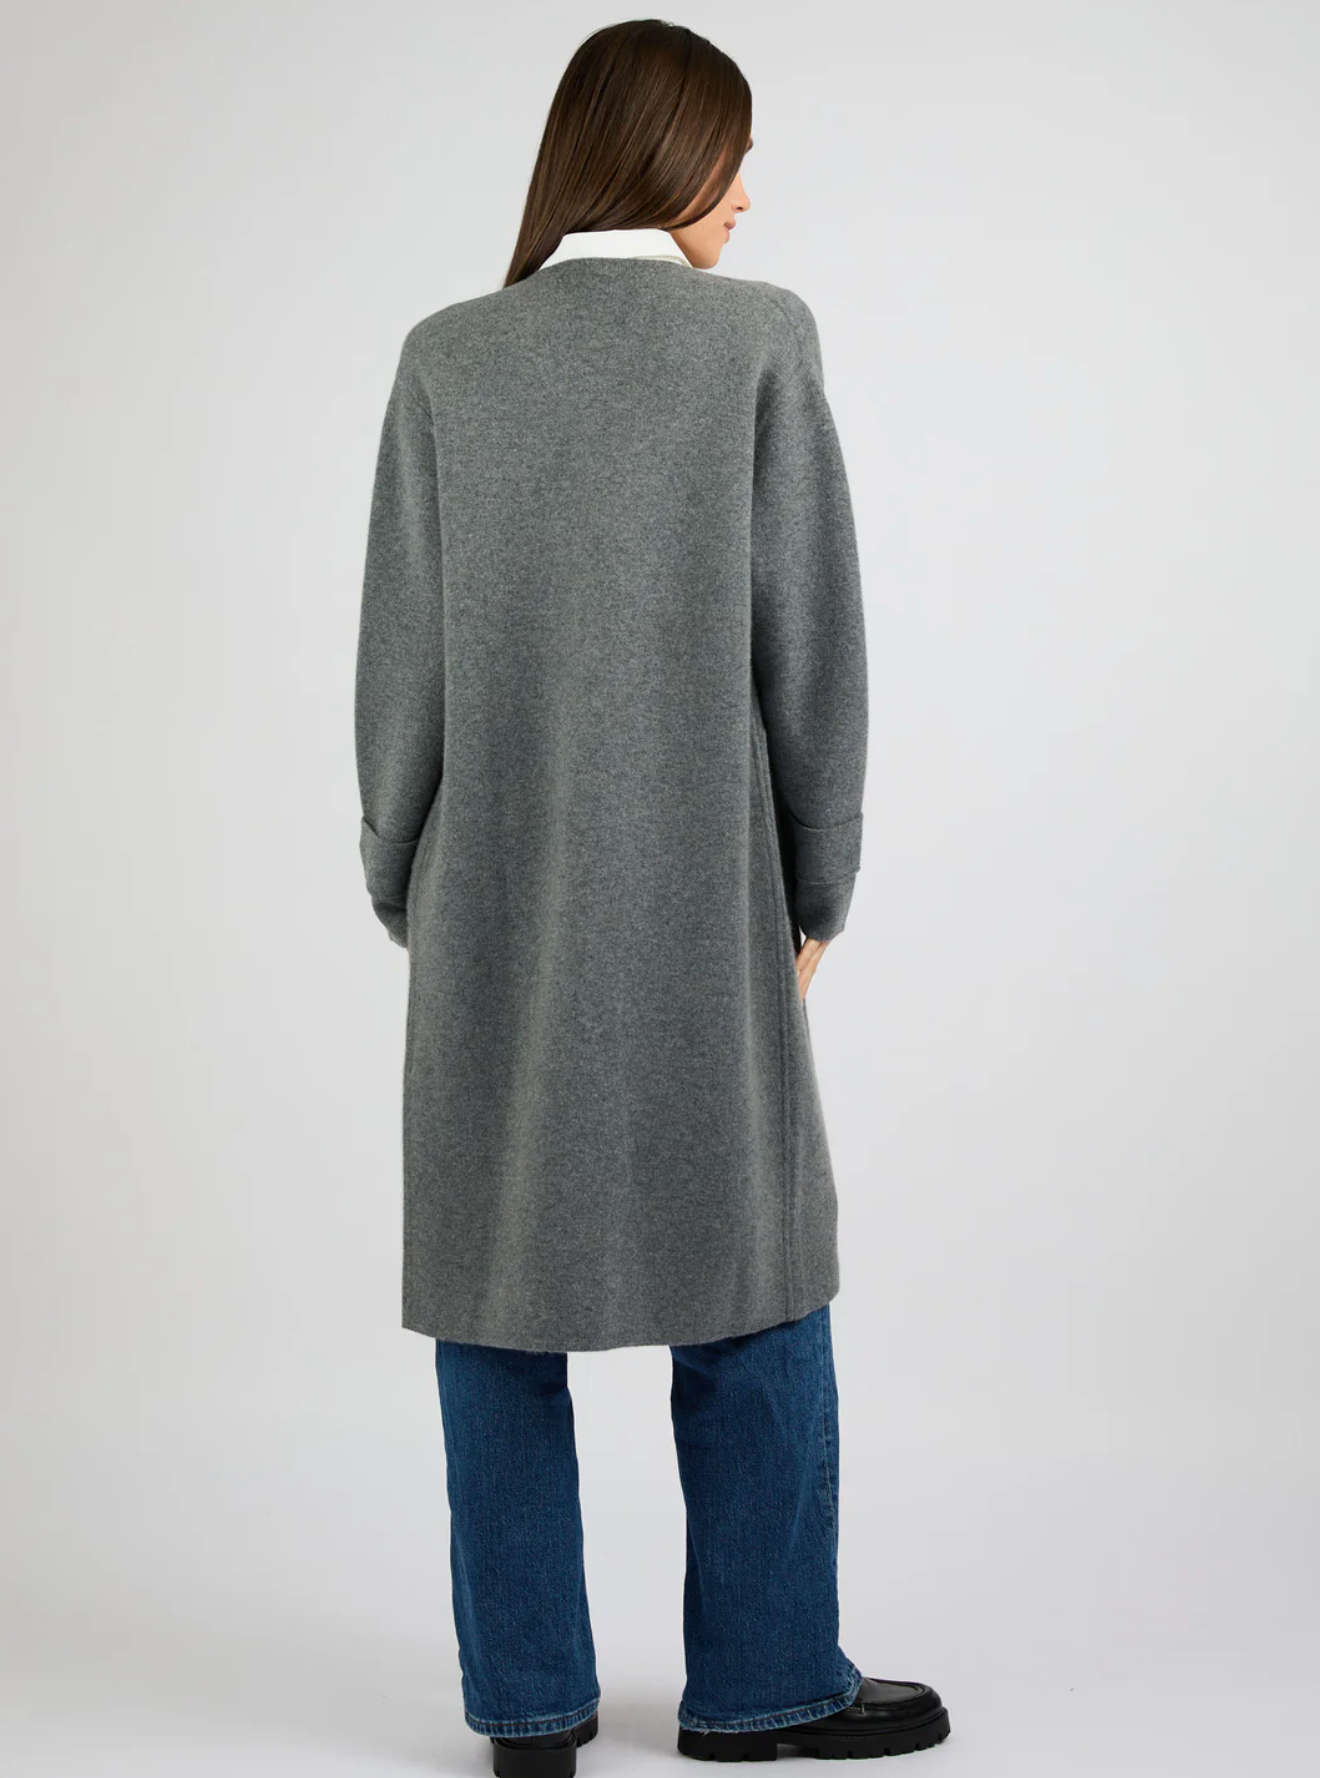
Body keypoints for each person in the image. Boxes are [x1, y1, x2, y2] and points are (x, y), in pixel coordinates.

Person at [354, 18, 951, 1775]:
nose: (747, 191)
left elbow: (402, 673)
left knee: (494, 1293)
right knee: (756, 1276)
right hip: (708, 895)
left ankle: (530, 1708)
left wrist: (408, 879)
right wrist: (817, 881)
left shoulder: (448, 359)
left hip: (494, 902)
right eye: (729, 154)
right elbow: (812, 648)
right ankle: (765, 1683)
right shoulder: (756, 342)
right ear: (661, 154)